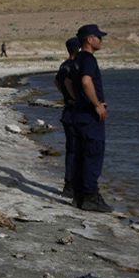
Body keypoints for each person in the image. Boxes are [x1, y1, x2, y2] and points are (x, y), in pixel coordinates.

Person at [70, 24, 112, 212]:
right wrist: (96, 104)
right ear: (89, 39)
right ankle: (90, 197)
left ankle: (78, 196)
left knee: (80, 155)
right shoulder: (88, 59)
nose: (101, 40)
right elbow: (86, 81)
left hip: (77, 114)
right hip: (88, 116)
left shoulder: (75, 59)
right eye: (99, 37)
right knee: (93, 154)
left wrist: (77, 100)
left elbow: (67, 82)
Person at [55, 37, 81, 198]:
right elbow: (66, 82)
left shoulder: (63, 65)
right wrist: (75, 98)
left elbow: (57, 82)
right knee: (76, 149)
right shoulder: (74, 66)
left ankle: (69, 184)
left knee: (70, 149)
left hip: (67, 111)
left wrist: (65, 96)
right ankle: (73, 185)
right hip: (75, 111)